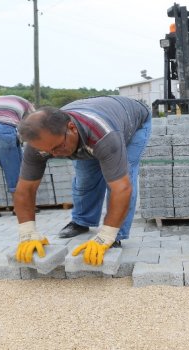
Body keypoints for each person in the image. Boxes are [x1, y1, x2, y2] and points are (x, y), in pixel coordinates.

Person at [12, 96, 151, 266]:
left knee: (123, 176)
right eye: (48, 151)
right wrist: (27, 232)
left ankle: (115, 235)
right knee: (85, 179)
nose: (54, 155)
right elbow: (25, 189)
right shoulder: (40, 144)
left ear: (71, 128)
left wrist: (106, 235)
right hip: (90, 122)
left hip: (133, 122)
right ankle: (82, 221)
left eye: (57, 147)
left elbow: (121, 188)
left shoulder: (104, 136)